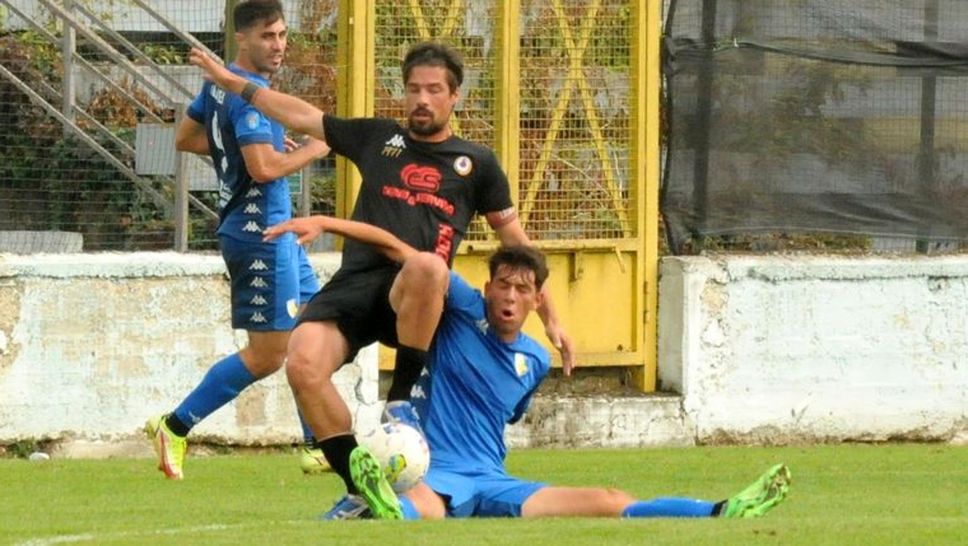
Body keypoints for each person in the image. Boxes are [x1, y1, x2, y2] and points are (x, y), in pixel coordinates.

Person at [189, 41, 575, 518]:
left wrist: (552, 318)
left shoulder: (477, 165)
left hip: (416, 298)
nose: (422, 99)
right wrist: (234, 84)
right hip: (357, 282)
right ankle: (360, 487)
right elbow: (302, 115)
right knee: (302, 361)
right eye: (414, 89)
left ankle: (400, 402)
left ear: (455, 96)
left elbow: (519, 248)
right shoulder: (377, 137)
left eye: (434, 90)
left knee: (429, 266)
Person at [264, 218, 792, 521]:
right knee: (416, 511)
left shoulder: (535, 360)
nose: (510, 297)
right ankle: (369, 503)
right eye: (503, 286)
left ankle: (720, 510)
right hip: (433, 471)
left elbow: (508, 416)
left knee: (609, 500)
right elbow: (405, 253)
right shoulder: (459, 309)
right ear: (487, 287)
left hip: (492, 480)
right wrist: (328, 224)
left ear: (537, 300)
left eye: (522, 290)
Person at [145, 0, 331, 480]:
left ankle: (317, 445)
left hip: (276, 232)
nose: (279, 45)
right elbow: (264, 170)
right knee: (268, 355)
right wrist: (313, 148)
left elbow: (187, 137)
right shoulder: (251, 96)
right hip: (260, 235)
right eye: (268, 36)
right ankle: (175, 426)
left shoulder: (221, 84)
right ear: (242, 38)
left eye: (283, 35)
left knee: (313, 330)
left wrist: (251, 147)